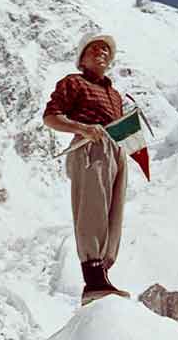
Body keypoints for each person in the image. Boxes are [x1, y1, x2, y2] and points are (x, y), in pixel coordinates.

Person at [43, 33, 130, 305]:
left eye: (106, 50)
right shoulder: (73, 82)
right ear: (82, 58)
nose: (102, 53)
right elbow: (50, 117)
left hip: (115, 148)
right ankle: (92, 277)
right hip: (89, 145)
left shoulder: (114, 94)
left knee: (112, 211)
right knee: (92, 208)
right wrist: (82, 129)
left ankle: (102, 273)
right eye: (94, 49)